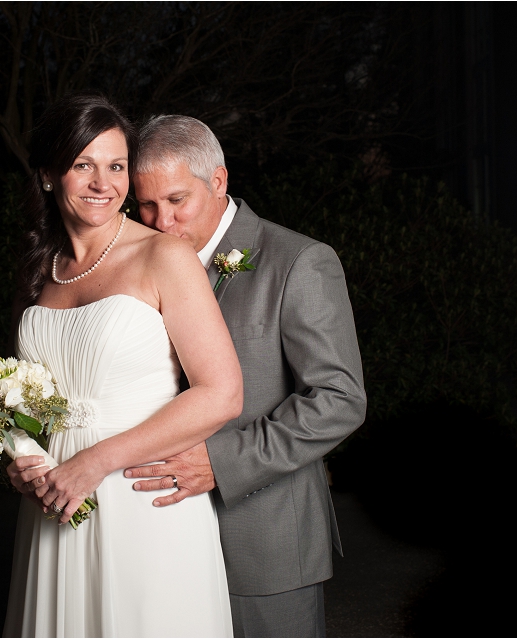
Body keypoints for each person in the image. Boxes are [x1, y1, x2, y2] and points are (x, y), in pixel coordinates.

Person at [2, 95, 242, 638]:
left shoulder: (165, 257)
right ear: (48, 174)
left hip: (139, 497)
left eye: (115, 166)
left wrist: (96, 462)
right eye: (83, 164)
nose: (102, 183)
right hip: (53, 505)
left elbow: (221, 393)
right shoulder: (40, 270)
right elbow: (24, 394)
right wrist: (20, 454)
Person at [125, 115, 367, 637]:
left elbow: (339, 398)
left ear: (218, 182)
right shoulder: (136, 266)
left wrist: (221, 462)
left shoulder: (299, 261)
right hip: (159, 539)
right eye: (146, 205)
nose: (161, 222)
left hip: (266, 541)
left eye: (175, 201)